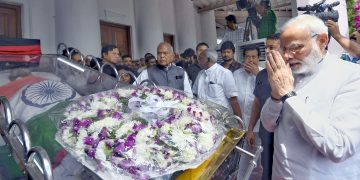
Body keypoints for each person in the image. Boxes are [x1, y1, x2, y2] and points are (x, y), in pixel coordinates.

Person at [261, 14, 360, 179]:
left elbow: (339, 147)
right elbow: (268, 125)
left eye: (296, 47)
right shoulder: (289, 73)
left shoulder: (351, 76)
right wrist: (276, 96)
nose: (287, 56)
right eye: (284, 49)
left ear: (322, 41)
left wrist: (289, 95)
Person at [245, 33, 281, 180]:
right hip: (266, 135)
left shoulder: (292, 72)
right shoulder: (262, 75)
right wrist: (250, 129)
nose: (267, 51)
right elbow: (257, 103)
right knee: (267, 170)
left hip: (285, 136)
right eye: (266, 47)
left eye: (272, 47)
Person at [234, 45, 264, 179]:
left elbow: (267, 97)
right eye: (247, 57)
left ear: (259, 58)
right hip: (240, 125)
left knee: (260, 161)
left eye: (253, 57)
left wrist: (258, 75)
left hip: (258, 126)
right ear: (243, 58)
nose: (250, 60)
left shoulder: (264, 74)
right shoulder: (236, 75)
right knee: (243, 160)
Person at [193, 49, 242, 118]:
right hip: (203, 117)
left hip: (221, 118)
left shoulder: (224, 73)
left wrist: (239, 121)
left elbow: (233, 100)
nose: (198, 61)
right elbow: (194, 94)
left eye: (200, 58)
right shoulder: (200, 74)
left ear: (208, 60)